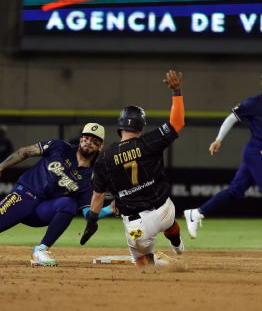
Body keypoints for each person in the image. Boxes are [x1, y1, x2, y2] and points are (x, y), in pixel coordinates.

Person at [80, 70, 185, 266]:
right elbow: (177, 122)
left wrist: (92, 221)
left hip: (139, 225)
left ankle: (158, 262)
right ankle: (178, 246)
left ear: (120, 127)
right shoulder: (149, 142)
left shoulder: (104, 158)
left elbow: (97, 196)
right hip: (165, 209)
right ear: (141, 126)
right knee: (169, 221)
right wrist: (176, 91)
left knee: (141, 262)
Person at [0, 123, 113, 266]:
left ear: (100, 146)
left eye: (94, 141)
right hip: (23, 197)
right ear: (80, 139)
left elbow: (88, 213)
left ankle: (41, 250)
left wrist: (111, 209)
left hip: (42, 212)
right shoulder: (60, 147)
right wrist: (1, 166)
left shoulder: (89, 177)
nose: (89, 142)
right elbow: (25, 152)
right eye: (86, 138)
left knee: (69, 204)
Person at [184, 93, 262, 238]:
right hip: (256, 152)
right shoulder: (254, 103)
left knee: (235, 191)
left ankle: (196, 213)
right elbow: (232, 117)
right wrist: (218, 139)